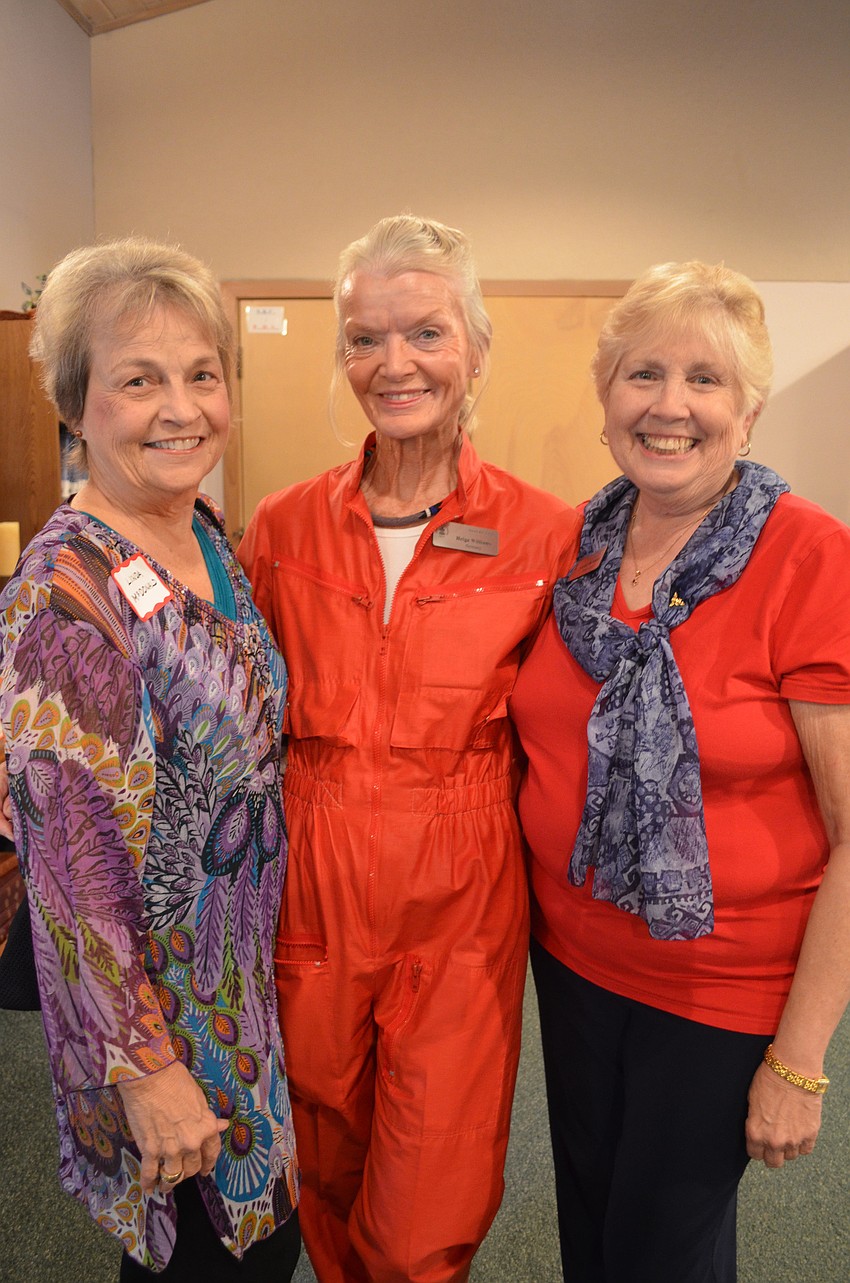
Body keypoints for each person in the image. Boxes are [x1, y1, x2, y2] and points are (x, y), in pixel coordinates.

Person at [238, 214, 580, 1283]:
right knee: (321, 1165)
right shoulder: (280, 528)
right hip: (308, 885)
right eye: (364, 338)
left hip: (462, 900)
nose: (395, 365)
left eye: (425, 332)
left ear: (475, 345)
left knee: (431, 1194)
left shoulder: (544, 534)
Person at [510, 260, 850, 1282]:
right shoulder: (574, 544)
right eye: (642, 373)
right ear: (606, 393)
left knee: (660, 1251)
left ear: (748, 412)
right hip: (570, 963)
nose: (669, 405)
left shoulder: (807, 556)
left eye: (705, 381)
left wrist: (799, 1059)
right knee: (594, 1226)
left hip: (721, 985)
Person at [0, 238, 301, 1279]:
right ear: (78, 407)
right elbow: (68, 874)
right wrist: (145, 1071)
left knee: (260, 1250)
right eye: (139, 379)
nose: (181, 407)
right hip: (165, 1025)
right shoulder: (66, 593)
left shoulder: (204, 530)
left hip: (243, 994)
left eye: (201, 374)